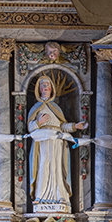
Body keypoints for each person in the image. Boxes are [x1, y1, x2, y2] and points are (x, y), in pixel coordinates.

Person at [27, 76, 84, 210]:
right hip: (42, 142)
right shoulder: (37, 108)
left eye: (47, 85)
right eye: (43, 86)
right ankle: (40, 197)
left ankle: (61, 196)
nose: (45, 88)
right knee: (43, 166)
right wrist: (38, 123)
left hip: (57, 142)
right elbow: (30, 128)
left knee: (57, 168)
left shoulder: (55, 108)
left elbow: (62, 126)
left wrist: (75, 126)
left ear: (52, 89)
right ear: (38, 89)